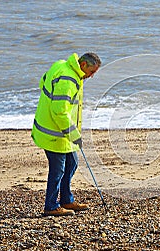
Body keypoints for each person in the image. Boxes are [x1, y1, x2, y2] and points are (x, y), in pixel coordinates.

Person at [31, 52, 101, 216]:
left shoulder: (62, 65)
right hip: (54, 133)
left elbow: (43, 81)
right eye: (91, 72)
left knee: (72, 163)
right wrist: (74, 135)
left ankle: (66, 200)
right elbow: (59, 112)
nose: (91, 77)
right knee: (58, 170)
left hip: (63, 131)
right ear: (83, 65)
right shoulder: (68, 80)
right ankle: (51, 206)